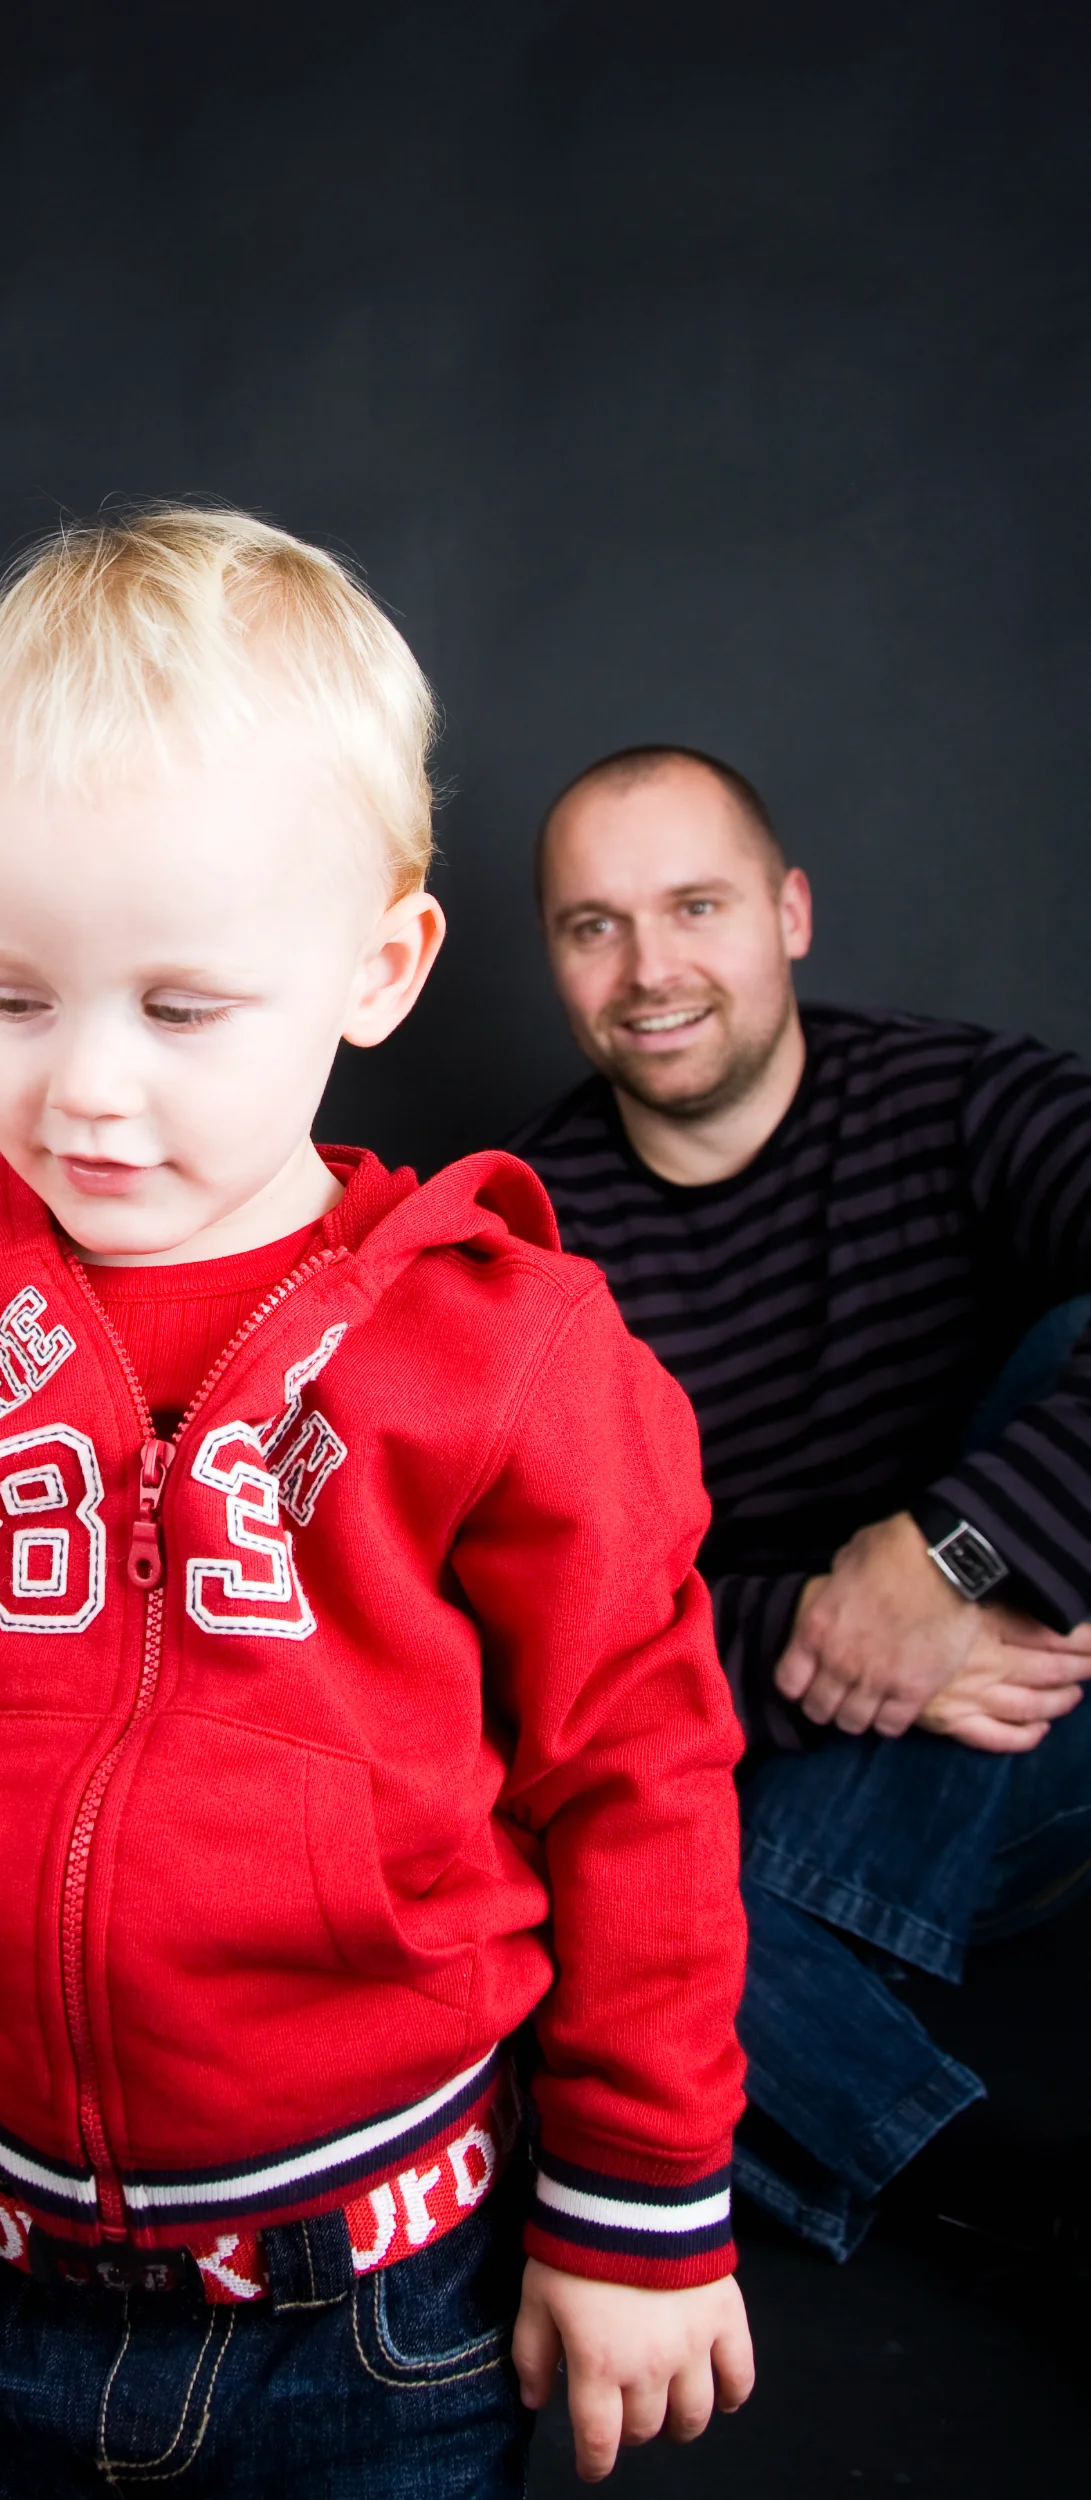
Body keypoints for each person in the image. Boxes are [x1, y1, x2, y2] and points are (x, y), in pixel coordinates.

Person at [0, 511, 754, 2496]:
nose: (83, 1094)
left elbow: (636, 1772)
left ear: (377, 965)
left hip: (377, 2309)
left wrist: (639, 2190)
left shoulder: (510, 1352)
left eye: (182, 1006)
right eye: (9, 990)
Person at [511, 743, 1091, 2262]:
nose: (649, 970)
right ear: (555, 962)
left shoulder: (953, 1096)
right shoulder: (528, 1245)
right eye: (594, 926)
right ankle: (1002, 2200)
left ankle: (748, 1968)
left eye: (694, 906)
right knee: (582, 1887)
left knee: (1058, 1351)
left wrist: (960, 1556)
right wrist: (828, 1623)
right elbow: (515, 1619)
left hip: (1044, 1718)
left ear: (789, 913)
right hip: (767, 1764)